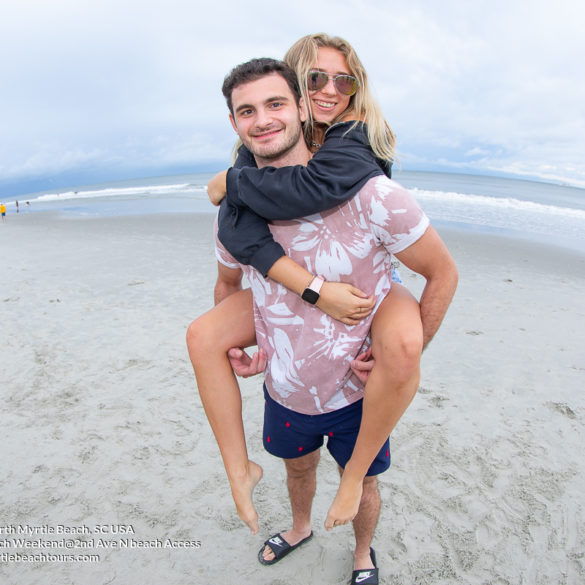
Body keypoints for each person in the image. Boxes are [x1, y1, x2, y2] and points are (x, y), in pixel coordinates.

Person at [189, 57, 457, 582]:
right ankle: (299, 527)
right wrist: (243, 342)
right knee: (298, 470)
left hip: (360, 394)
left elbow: (442, 272)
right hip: (287, 389)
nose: (263, 120)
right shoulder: (237, 214)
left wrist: (403, 353)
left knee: (364, 486)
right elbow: (228, 284)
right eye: (248, 111)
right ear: (234, 124)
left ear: (301, 107)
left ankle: (361, 555)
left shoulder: (372, 194)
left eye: (275, 104)